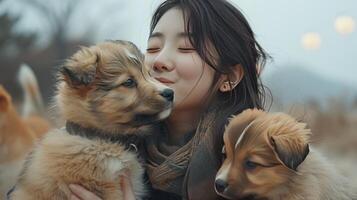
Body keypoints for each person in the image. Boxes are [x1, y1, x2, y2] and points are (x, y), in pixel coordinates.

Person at [69, 0, 269, 199]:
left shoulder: (265, 169)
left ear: (230, 77)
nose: (159, 61)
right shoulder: (95, 153)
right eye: (153, 48)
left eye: (185, 48)